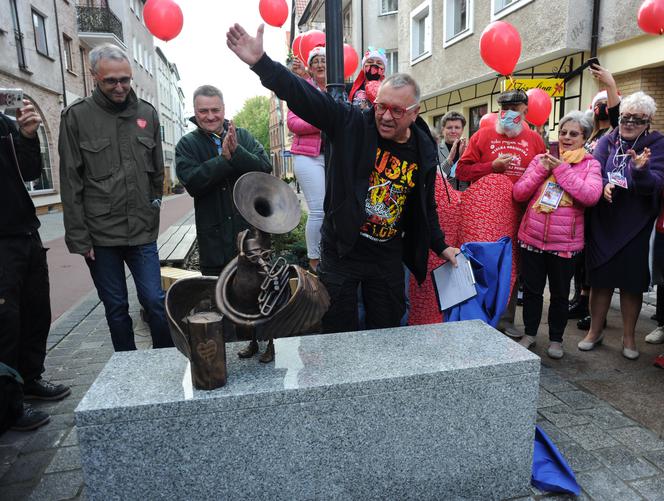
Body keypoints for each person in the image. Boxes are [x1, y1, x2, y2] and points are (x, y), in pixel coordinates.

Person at [226, 23, 458, 333]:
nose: (387, 116)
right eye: (382, 107)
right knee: (338, 334)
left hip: (386, 256)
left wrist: (441, 245)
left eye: (397, 110)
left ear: (414, 113)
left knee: (387, 332)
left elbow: (425, 205)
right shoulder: (352, 124)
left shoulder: (423, 147)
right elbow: (306, 98)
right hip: (342, 250)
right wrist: (261, 63)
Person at [59, 44, 173, 352]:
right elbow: (70, 182)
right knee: (116, 308)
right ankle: (126, 368)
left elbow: (156, 173)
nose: (120, 86)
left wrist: (153, 210)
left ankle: (164, 363)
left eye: (125, 79)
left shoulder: (147, 114)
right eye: (111, 81)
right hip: (100, 236)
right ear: (95, 76)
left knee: (155, 301)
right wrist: (80, 238)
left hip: (141, 232)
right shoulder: (77, 117)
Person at [578, 91, 664, 360]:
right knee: (600, 280)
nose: (628, 123)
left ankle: (628, 337)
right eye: (625, 117)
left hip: (636, 226)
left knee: (631, 284)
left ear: (648, 121)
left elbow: (657, 184)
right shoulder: (609, 139)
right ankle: (594, 331)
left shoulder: (657, 143)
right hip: (605, 222)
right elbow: (594, 168)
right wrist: (602, 185)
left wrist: (640, 170)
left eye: (636, 120)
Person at [1, 100, 70, 432]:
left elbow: (27, 172)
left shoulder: (4, 124)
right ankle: (8, 406)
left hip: (25, 232)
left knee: (35, 311)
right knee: (5, 324)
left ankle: (30, 379)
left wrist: (27, 137)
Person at [456, 89, 547, 337]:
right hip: (484, 215)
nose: (508, 116)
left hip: (520, 214)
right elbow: (462, 171)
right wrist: (491, 167)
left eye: (515, 111)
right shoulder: (482, 136)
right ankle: (476, 314)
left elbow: (543, 175)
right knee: (481, 262)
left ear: (526, 112)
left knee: (512, 265)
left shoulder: (535, 140)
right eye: (504, 111)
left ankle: (506, 319)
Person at [512, 111, 602, 359]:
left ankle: (556, 339)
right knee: (531, 291)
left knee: (561, 295)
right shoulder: (541, 159)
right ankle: (530, 333)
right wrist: (542, 170)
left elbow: (590, 196)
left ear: (584, 137)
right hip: (532, 238)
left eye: (574, 134)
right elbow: (519, 193)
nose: (566, 137)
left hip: (565, 243)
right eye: (563, 132)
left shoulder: (590, 164)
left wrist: (561, 170)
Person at [175, 85, 271, 276]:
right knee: (217, 296)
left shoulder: (242, 136)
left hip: (251, 237)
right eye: (203, 111)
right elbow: (193, 183)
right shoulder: (187, 144)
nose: (210, 116)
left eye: (215, 110)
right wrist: (224, 160)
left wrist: (238, 153)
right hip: (214, 243)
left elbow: (264, 168)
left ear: (223, 109)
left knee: (256, 294)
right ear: (195, 112)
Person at [570, 63, 621, 326]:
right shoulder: (594, 133)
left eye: (606, 104)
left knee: (595, 257)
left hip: (602, 196)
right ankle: (581, 298)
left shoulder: (615, 132)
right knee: (581, 255)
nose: (600, 108)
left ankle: (593, 309)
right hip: (583, 197)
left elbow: (617, 114)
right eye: (597, 103)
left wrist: (609, 85)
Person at [287, 46, 327, 271]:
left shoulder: (336, 91)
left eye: (324, 61)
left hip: (331, 157)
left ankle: (327, 252)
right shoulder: (302, 89)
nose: (320, 65)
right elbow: (293, 123)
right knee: (319, 209)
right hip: (307, 156)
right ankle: (314, 259)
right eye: (316, 62)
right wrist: (322, 121)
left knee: (332, 209)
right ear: (310, 69)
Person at [437, 111, 468, 191]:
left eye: (457, 127)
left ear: (462, 130)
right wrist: (449, 160)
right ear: (443, 129)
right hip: (443, 200)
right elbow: (435, 177)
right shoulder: (434, 150)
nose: (453, 131)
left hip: (464, 199)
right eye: (449, 127)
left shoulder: (468, 150)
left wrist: (463, 159)